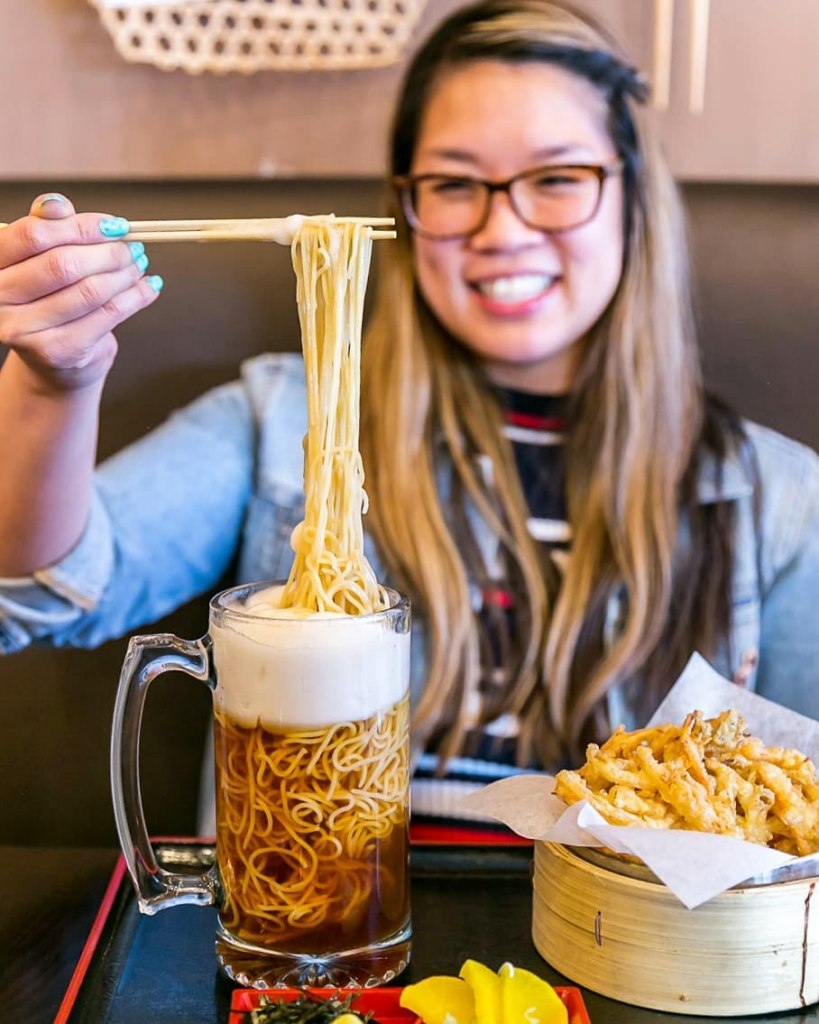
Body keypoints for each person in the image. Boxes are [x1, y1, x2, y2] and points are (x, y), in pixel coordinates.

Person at [1, 0, 817, 833]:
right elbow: (39, 595)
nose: (501, 228)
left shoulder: (778, 502)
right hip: (308, 928)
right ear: (404, 206)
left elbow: (799, 819)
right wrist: (55, 383)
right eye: (453, 184)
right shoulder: (284, 423)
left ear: (633, 199)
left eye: (557, 179)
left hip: (614, 947)